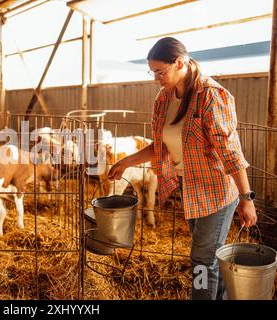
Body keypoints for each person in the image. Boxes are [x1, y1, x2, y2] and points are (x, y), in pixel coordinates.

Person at [107, 37, 257, 300]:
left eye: (160, 72)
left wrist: (246, 198)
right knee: (209, 255)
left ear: (180, 63)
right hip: (189, 188)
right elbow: (161, 145)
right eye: (152, 73)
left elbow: (230, 151)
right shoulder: (164, 99)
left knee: (201, 258)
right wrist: (124, 162)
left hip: (217, 191)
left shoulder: (211, 95)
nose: (156, 78)